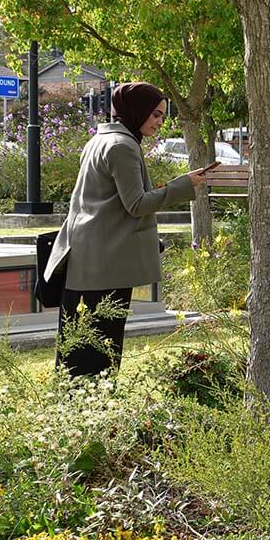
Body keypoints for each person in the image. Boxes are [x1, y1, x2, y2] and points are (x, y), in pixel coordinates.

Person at [45, 82, 211, 376]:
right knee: (100, 351)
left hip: (86, 257)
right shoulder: (123, 146)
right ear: (136, 111)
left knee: (77, 347)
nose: (160, 122)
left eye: (162, 115)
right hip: (106, 263)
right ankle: (95, 410)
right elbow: (136, 204)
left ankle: (76, 409)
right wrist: (184, 185)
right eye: (155, 115)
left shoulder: (100, 140)